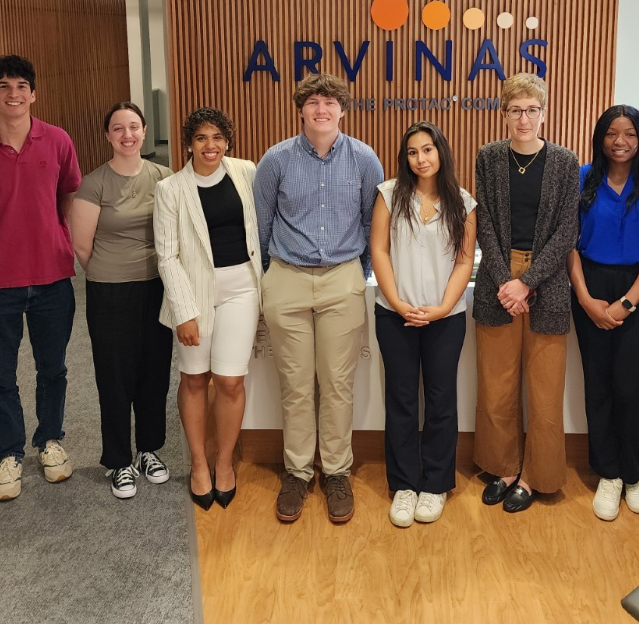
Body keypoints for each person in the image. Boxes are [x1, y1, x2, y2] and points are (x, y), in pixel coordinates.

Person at [254, 72, 385, 524]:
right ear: (301, 109)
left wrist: (358, 273)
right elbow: (261, 224)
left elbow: (374, 225)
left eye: (330, 101)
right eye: (312, 102)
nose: (321, 109)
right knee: (294, 385)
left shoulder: (366, 160)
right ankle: (296, 471)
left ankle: (336, 473)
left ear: (343, 109)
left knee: (337, 384)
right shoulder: (276, 160)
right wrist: (273, 277)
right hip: (287, 278)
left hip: (342, 280)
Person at [0, 55, 82, 501]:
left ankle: (49, 441)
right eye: (3, 85)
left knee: (54, 368)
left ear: (34, 94)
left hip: (52, 277)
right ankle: (8, 453)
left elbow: (68, 195)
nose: (13, 94)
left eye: (22, 85)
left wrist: (55, 238)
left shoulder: (58, 141)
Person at [473, 72, 580, 514]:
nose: (523, 118)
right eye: (515, 110)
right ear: (503, 114)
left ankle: (537, 475)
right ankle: (502, 467)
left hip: (547, 280)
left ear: (543, 113)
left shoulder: (565, 161)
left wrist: (528, 281)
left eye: (532, 110)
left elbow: (567, 228)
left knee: (544, 388)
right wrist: (505, 280)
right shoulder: (489, 157)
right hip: (499, 279)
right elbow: (484, 224)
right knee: (496, 386)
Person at [154, 108, 261, 510]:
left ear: (228, 141)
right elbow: (167, 256)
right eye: (201, 138)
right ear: (188, 143)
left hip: (242, 290)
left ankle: (224, 462)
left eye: (217, 137)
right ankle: (199, 463)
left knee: (231, 381)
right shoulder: (171, 189)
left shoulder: (245, 172)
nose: (210, 145)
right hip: (193, 295)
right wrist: (183, 311)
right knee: (195, 379)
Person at [371, 121, 477, 527]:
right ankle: (404, 486)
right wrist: (397, 303)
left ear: (441, 152)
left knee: (440, 400)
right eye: (413, 151)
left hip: (444, 318)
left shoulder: (463, 202)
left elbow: (465, 261)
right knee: (400, 400)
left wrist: (442, 307)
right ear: (406, 157)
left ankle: (434, 484)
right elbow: (378, 250)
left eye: (428, 149)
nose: (421, 158)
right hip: (394, 314)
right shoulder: (388, 194)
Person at [568, 104, 639, 523]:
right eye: (612, 132)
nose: (620, 141)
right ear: (600, 136)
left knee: (631, 386)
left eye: (630, 133)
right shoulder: (581, 178)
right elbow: (567, 242)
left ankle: (634, 473)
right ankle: (607, 472)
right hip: (588, 283)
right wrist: (587, 300)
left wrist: (627, 302)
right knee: (599, 383)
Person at [69, 102, 174, 499]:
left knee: (155, 371)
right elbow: (82, 246)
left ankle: (148, 450)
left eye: (134, 127)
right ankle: (118, 460)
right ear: (108, 136)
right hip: (110, 289)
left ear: (145, 132)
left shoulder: (164, 177)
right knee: (114, 375)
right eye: (118, 128)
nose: (127, 135)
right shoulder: (94, 183)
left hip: (157, 287)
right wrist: (113, 271)